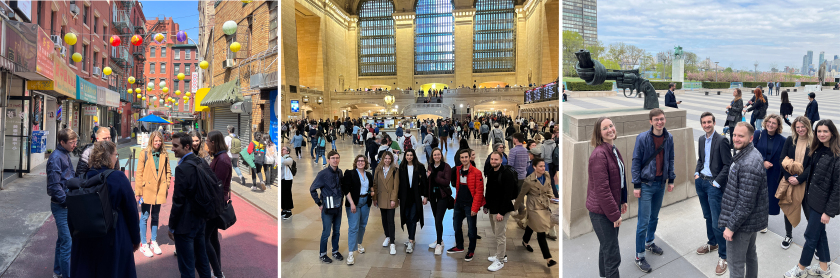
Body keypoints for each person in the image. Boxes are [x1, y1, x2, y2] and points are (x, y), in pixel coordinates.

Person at [71, 140, 141, 277]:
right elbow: (132, 211)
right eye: (116, 154)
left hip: (85, 239)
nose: (116, 158)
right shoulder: (118, 178)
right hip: (113, 237)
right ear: (108, 156)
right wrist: (135, 239)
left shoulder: (83, 178)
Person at [784, 120, 840, 278]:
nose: (822, 134)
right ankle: (824, 268)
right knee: (820, 234)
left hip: (822, 204)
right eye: (819, 131)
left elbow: (838, 187)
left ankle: (801, 269)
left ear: (833, 133)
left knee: (810, 236)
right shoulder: (818, 149)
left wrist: (828, 212)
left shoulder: (837, 155)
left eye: (825, 131)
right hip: (812, 198)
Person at [719, 122, 768, 278]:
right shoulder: (748, 153)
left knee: (736, 264)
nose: (736, 138)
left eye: (741, 136)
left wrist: (731, 227)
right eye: (734, 135)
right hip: (749, 221)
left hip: (741, 224)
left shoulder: (748, 163)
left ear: (751, 137)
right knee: (750, 256)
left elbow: (745, 203)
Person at [631, 108, 676, 273]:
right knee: (643, 222)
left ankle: (649, 242)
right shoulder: (642, 138)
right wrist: (636, 185)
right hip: (645, 185)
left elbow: (670, 158)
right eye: (656, 119)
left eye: (662, 119)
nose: (660, 122)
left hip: (660, 184)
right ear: (651, 121)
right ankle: (639, 255)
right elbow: (636, 162)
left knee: (654, 217)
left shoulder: (668, 137)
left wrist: (671, 179)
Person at [586, 117, 627, 278]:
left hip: (610, 207)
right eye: (605, 128)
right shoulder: (599, 154)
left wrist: (622, 200)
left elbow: (620, 179)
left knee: (606, 248)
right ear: (599, 133)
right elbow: (602, 189)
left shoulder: (612, 149)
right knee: (612, 254)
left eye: (611, 126)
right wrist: (614, 214)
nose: (610, 129)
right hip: (601, 213)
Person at [168, 132, 213, 277]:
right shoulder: (201, 161)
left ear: (187, 146)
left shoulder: (182, 168)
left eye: (176, 146)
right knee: (202, 260)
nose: (172, 149)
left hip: (185, 223)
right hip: (200, 219)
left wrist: (172, 226)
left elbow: (178, 201)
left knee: (187, 266)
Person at [693, 112, 732, 275]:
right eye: (704, 122)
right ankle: (713, 242)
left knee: (717, 221)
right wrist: (696, 173)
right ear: (701, 124)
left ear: (714, 123)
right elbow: (701, 159)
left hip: (713, 185)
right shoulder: (702, 140)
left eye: (709, 122)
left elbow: (728, 164)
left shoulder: (722, 140)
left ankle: (724, 256)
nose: (706, 125)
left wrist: (716, 183)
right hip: (701, 182)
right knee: (707, 216)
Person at [514, 158, 557, 268]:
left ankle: (525, 241)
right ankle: (548, 259)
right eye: (541, 166)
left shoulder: (546, 175)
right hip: (533, 207)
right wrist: (514, 207)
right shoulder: (528, 181)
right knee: (541, 230)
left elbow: (549, 187)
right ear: (534, 167)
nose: (543, 168)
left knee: (533, 225)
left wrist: (552, 197)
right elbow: (521, 195)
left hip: (544, 205)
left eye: (544, 166)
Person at [135, 131, 172, 258]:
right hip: (147, 189)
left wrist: (166, 184)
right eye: (155, 141)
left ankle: (153, 241)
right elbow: (139, 173)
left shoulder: (164, 154)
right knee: (145, 216)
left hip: (159, 189)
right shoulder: (144, 153)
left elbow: (168, 171)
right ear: (151, 141)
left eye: (159, 141)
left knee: (155, 216)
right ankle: (143, 244)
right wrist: (138, 191)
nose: (158, 143)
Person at [47, 128, 78, 278]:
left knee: (62, 241)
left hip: (65, 203)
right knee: (67, 242)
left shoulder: (64, 154)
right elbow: (54, 186)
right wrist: (67, 202)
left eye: (75, 142)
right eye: (72, 142)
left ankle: (58, 272)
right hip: (61, 205)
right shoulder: (56, 158)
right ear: (62, 142)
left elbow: (69, 177)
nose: (75, 145)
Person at [778, 116, 813, 250]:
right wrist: (789, 177)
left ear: (807, 127)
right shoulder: (790, 140)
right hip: (790, 182)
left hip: (807, 183)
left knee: (810, 213)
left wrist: (800, 179)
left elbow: (813, 165)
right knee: (788, 208)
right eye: (797, 127)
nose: (800, 129)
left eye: (802, 126)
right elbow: (782, 159)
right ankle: (788, 235)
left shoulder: (814, 142)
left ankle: (813, 240)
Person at [447, 149, 485, 262]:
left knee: (471, 229)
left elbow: (479, 192)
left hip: (470, 204)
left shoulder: (477, 172)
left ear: (469, 158)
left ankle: (471, 250)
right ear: (460, 159)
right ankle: (459, 246)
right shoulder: (458, 170)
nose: (464, 159)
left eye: (466, 157)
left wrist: (475, 208)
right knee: (456, 225)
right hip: (459, 203)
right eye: (462, 157)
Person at [484, 151, 517, 272]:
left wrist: (501, 213)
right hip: (493, 208)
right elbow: (489, 190)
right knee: (496, 233)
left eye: (496, 159)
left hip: (501, 210)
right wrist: (486, 205)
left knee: (500, 235)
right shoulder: (491, 171)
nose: (493, 161)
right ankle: (501, 254)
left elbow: (507, 195)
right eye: (492, 159)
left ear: (501, 160)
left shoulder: (506, 174)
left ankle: (500, 260)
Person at [310, 150, 345, 264]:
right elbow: (312, 189)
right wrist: (319, 203)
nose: (335, 160)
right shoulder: (323, 174)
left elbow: (342, 188)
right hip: (327, 207)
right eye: (333, 158)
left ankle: (335, 251)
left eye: (337, 158)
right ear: (328, 160)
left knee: (337, 231)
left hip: (338, 206)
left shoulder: (340, 172)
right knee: (326, 232)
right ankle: (323, 254)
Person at [753, 114, 786, 233]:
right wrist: (763, 161)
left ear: (778, 126)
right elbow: (752, 150)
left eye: (774, 123)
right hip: (758, 170)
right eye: (769, 122)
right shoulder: (758, 134)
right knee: (754, 195)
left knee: (767, 198)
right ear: (765, 122)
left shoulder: (782, 140)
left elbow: (784, 157)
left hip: (773, 173)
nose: (770, 125)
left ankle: (763, 222)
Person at [205, 131, 231, 278]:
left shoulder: (222, 160)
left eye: (208, 141)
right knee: (213, 238)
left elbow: (217, 185)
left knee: (204, 238)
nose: (206, 143)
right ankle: (217, 270)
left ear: (214, 142)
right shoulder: (219, 157)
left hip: (215, 205)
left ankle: (217, 272)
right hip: (215, 203)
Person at [342, 155, 374, 265]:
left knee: (363, 225)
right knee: (353, 227)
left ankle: (359, 243)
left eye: (363, 161)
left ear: (365, 163)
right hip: (354, 202)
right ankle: (351, 253)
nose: (360, 163)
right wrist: (352, 203)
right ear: (356, 162)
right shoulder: (350, 173)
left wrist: (372, 193)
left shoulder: (368, 174)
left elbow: (371, 187)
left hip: (365, 202)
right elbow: (345, 189)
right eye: (359, 161)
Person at [398, 149, 428, 254]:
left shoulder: (420, 167)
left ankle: (411, 240)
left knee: (413, 217)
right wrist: (397, 197)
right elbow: (399, 184)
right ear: (405, 156)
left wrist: (425, 196)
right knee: (406, 217)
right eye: (407, 155)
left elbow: (425, 182)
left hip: (415, 197)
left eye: (411, 155)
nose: (409, 157)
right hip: (405, 197)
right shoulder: (401, 168)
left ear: (414, 156)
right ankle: (411, 237)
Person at [372, 151, 400, 255]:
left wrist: (393, 199)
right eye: (386, 158)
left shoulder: (395, 170)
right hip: (381, 197)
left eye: (389, 159)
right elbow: (374, 184)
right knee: (384, 219)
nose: (387, 160)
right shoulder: (378, 170)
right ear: (382, 159)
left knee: (390, 220)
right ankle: (387, 236)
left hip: (390, 198)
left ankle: (392, 242)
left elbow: (395, 186)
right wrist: (374, 198)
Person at [426, 148, 451, 255]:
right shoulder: (430, 166)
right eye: (434, 155)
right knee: (437, 218)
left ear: (441, 155)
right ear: (432, 156)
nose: (436, 156)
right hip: (433, 196)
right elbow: (429, 183)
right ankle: (439, 240)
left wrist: (435, 176)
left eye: (438, 154)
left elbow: (446, 182)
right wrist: (426, 196)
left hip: (443, 196)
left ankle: (439, 244)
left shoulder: (446, 167)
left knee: (438, 219)